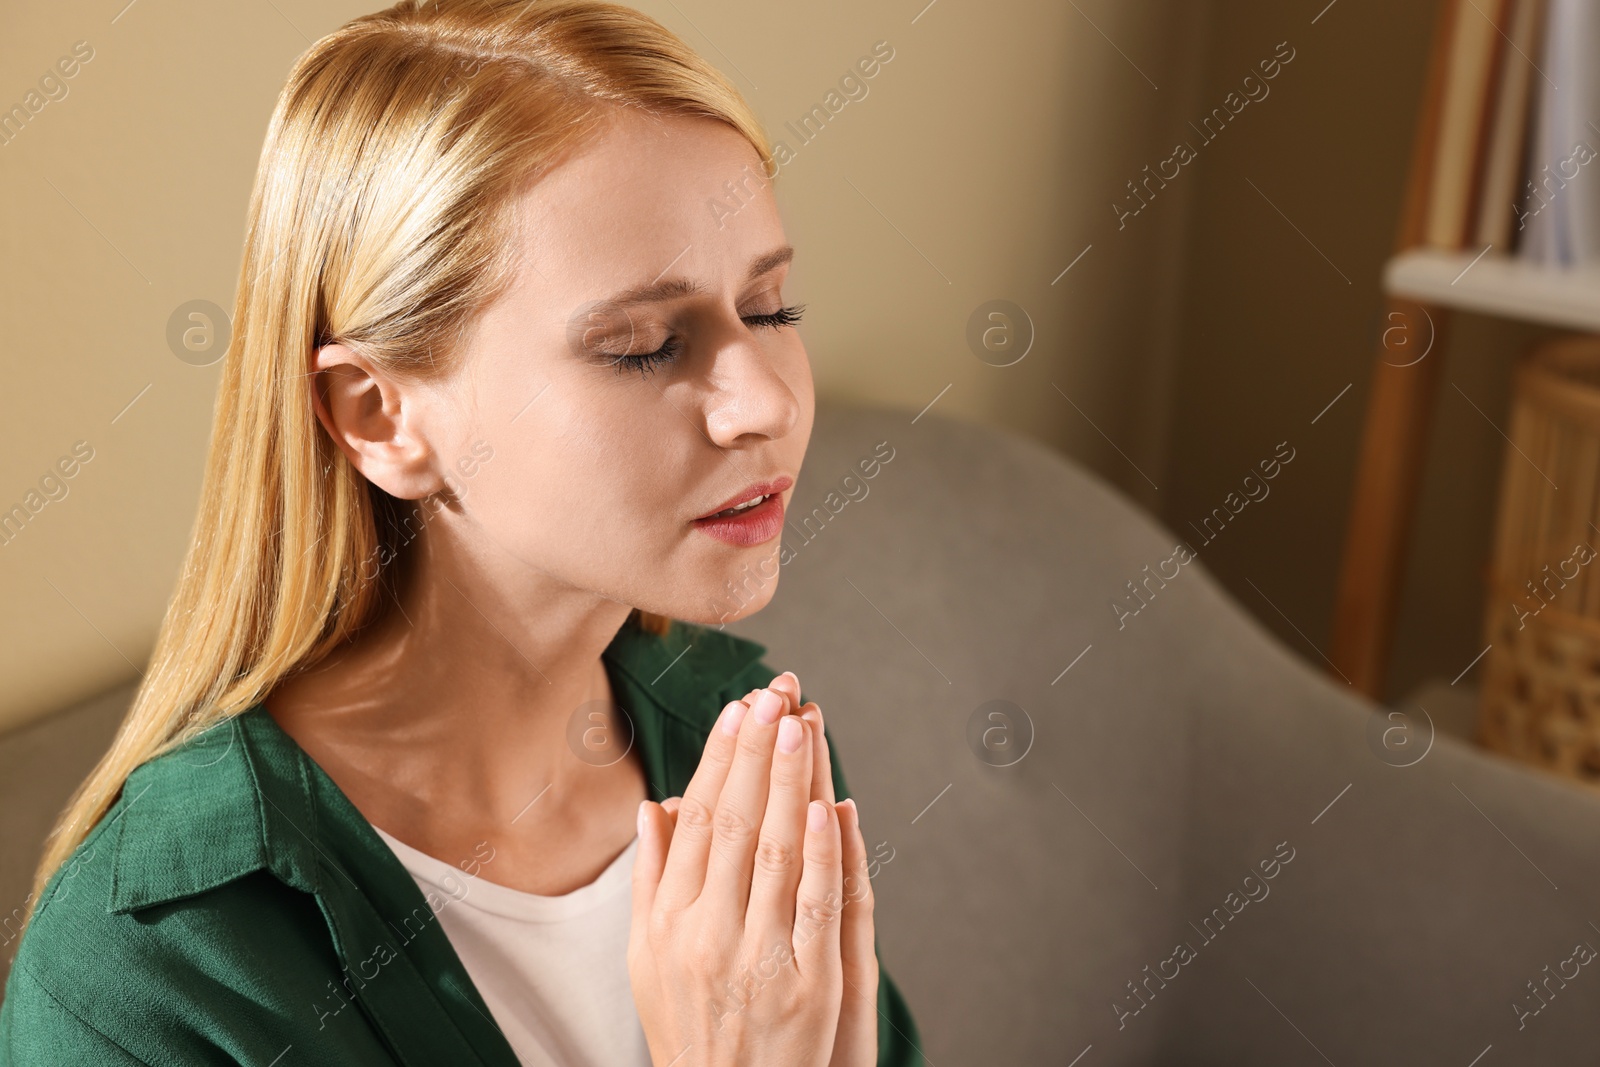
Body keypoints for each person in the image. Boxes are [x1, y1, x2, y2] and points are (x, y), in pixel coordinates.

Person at [0, 2, 923, 1064]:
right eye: (642, 345)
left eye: (769, 310)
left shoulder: (746, 747)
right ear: (379, 416)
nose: (760, 399)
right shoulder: (148, 973)